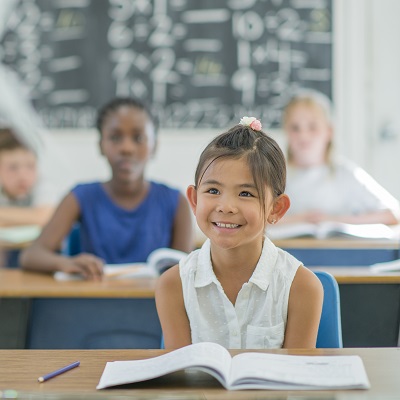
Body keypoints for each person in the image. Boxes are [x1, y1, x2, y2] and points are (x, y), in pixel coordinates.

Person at [156, 117, 323, 349]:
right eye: (213, 190)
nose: (226, 206)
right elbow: (179, 378)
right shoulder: (173, 285)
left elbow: (295, 379)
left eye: (245, 194)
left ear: (276, 209)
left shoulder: (301, 287)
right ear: (194, 201)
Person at [20, 97, 194, 279]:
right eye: (115, 137)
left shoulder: (176, 201)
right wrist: (66, 263)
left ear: (154, 146)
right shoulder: (81, 196)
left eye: (138, 138)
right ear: (101, 146)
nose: (126, 148)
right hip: (95, 301)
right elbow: (31, 255)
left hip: (153, 305)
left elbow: (184, 272)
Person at [280, 90, 400, 225]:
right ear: (286, 131)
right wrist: (302, 220)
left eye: (312, 127)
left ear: (329, 131)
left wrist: (333, 220)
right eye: (295, 128)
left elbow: (393, 214)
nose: (303, 136)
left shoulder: (347, 174)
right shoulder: (275, 176)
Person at [0, 128, 55, 226]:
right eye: (13, 167)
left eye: (30, 166)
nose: (23, 176)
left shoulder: (42, 184)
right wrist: (30, 218)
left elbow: (46, 217)